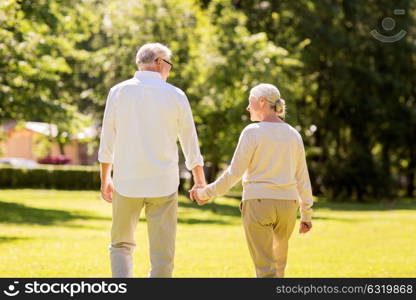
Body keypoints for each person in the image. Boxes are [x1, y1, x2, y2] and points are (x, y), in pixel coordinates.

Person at [98, 43, 205, 278]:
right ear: (159, 63)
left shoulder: (118, 91)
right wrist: (199, 181)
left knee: (121, 245)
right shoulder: (176, 95)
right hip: (163, 184)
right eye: (169, 65)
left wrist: (105, 179)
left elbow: (107, 140)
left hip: (127, 182)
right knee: (163, 254)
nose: (169, 70)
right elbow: (190, 141)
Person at [190, 83, 313, 278]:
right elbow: (302, 178)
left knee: (265, 271)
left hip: (258, 204)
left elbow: (234, 174)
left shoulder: (252, 131)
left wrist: (204, 193)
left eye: (250, 102)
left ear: (262, 102)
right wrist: (306, 214)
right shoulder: (293, 134)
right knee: (278, 270)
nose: (248, 107)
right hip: (288, 207)